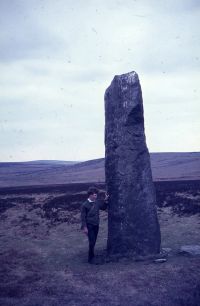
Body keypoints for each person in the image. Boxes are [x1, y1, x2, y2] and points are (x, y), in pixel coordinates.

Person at [81, 187, 109, 264]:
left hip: (96, 225)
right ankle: (90, 259)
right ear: (90, 195)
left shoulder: (97, 202)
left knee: (94, 241)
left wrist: (106, 200)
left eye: (96, 195)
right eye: (94, 195)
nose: (96, 196)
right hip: (89, 226)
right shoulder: (85, 205)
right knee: (92, 241)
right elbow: (83, 217)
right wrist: (84, 227)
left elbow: (103, 207)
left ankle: (92, 255)